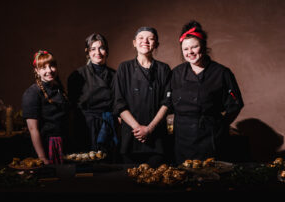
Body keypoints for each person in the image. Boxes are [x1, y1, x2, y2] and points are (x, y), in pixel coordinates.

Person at [171, 20, 244, 164]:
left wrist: (219, 125)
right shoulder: (176, 73)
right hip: (182, 139)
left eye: (194, 47)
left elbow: (235, 105)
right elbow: (167, 103)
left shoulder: (222, 73)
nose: (190, 52)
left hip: (211, 138)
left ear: (203, 46)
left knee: (211, 179)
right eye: (185, 49)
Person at [114, 27, 172, 167]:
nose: (145, 41)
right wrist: (138, 128)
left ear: (156, 44)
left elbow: (167, 102)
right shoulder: (124, 68)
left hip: (156, 137)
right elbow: (118, 102)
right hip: (131, 137)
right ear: (134, 43)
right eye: (141, 38)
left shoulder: (164, 69)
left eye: (150, 39)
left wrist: (149, 129)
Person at [67, 33, 118, 160]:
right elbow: (72, 106)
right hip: (85, 126)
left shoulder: (115, 75)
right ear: (87, 52)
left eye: (101, 48)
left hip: (107, 124)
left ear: (107, 51)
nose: (98, 52)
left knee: (107, 164)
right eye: (93, 49)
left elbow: (118, 103)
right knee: (85, 164)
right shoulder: (77, 75)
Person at [22, 50, 70, 164]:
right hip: (46, 146)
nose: (49, 70)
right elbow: (33, 129)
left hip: (64, 143)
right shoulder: (32, 93)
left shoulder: (59, 89)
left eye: (52, 66)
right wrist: (42, 157)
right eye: (43, 68)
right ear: (37, 71)